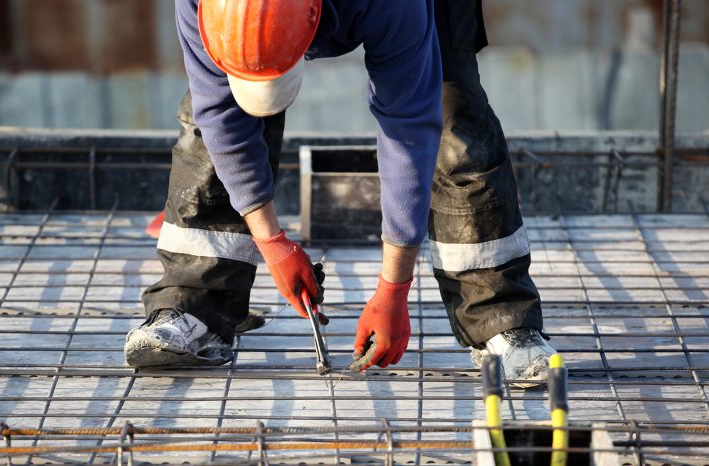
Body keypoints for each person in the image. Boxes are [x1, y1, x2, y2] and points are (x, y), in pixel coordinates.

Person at [125, 0, 556, 386]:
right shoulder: (201, 5)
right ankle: (193, 306)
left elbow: (408, 127)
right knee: (210, 123)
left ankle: (501, 316)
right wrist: (271, 241)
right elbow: (221, 113)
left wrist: (393, 288)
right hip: (251, 20)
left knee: (450, 113)